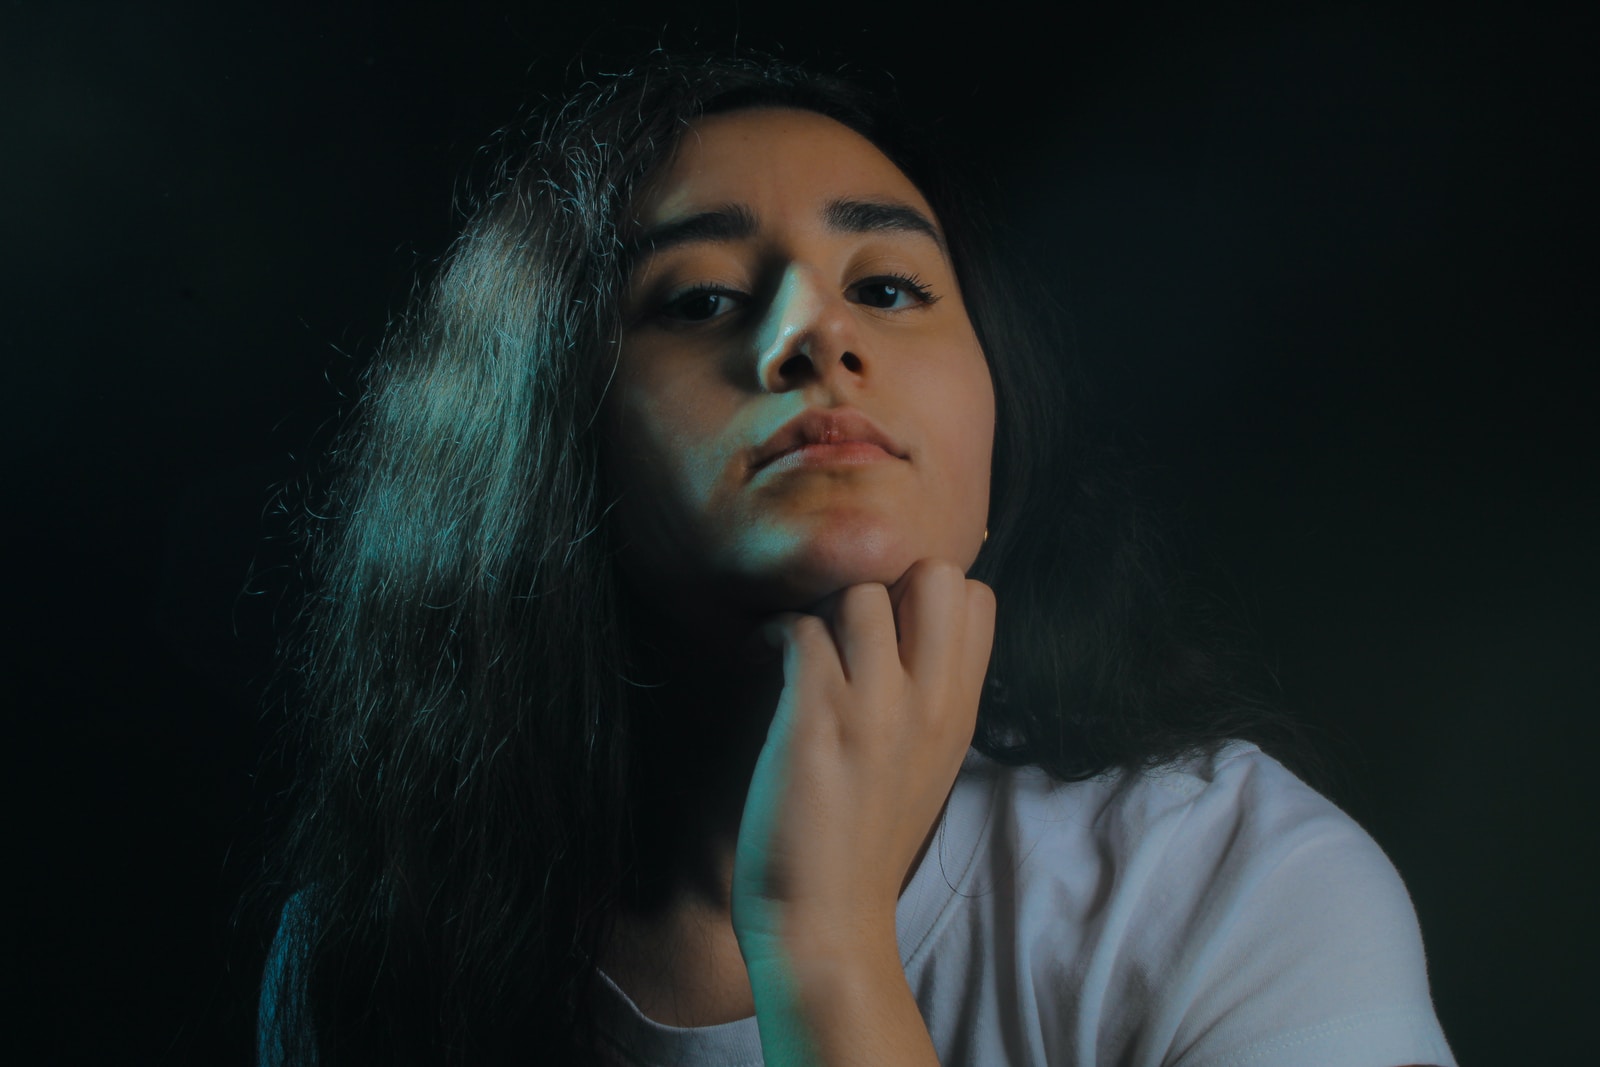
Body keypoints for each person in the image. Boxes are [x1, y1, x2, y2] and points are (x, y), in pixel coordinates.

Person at [256, 54, 1456, 1066]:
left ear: (995, 428)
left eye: (886, 286)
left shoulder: (1230, 885)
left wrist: (825, 943)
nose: (813, 332)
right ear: (541, 439)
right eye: (699, 299)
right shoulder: (373, 951)